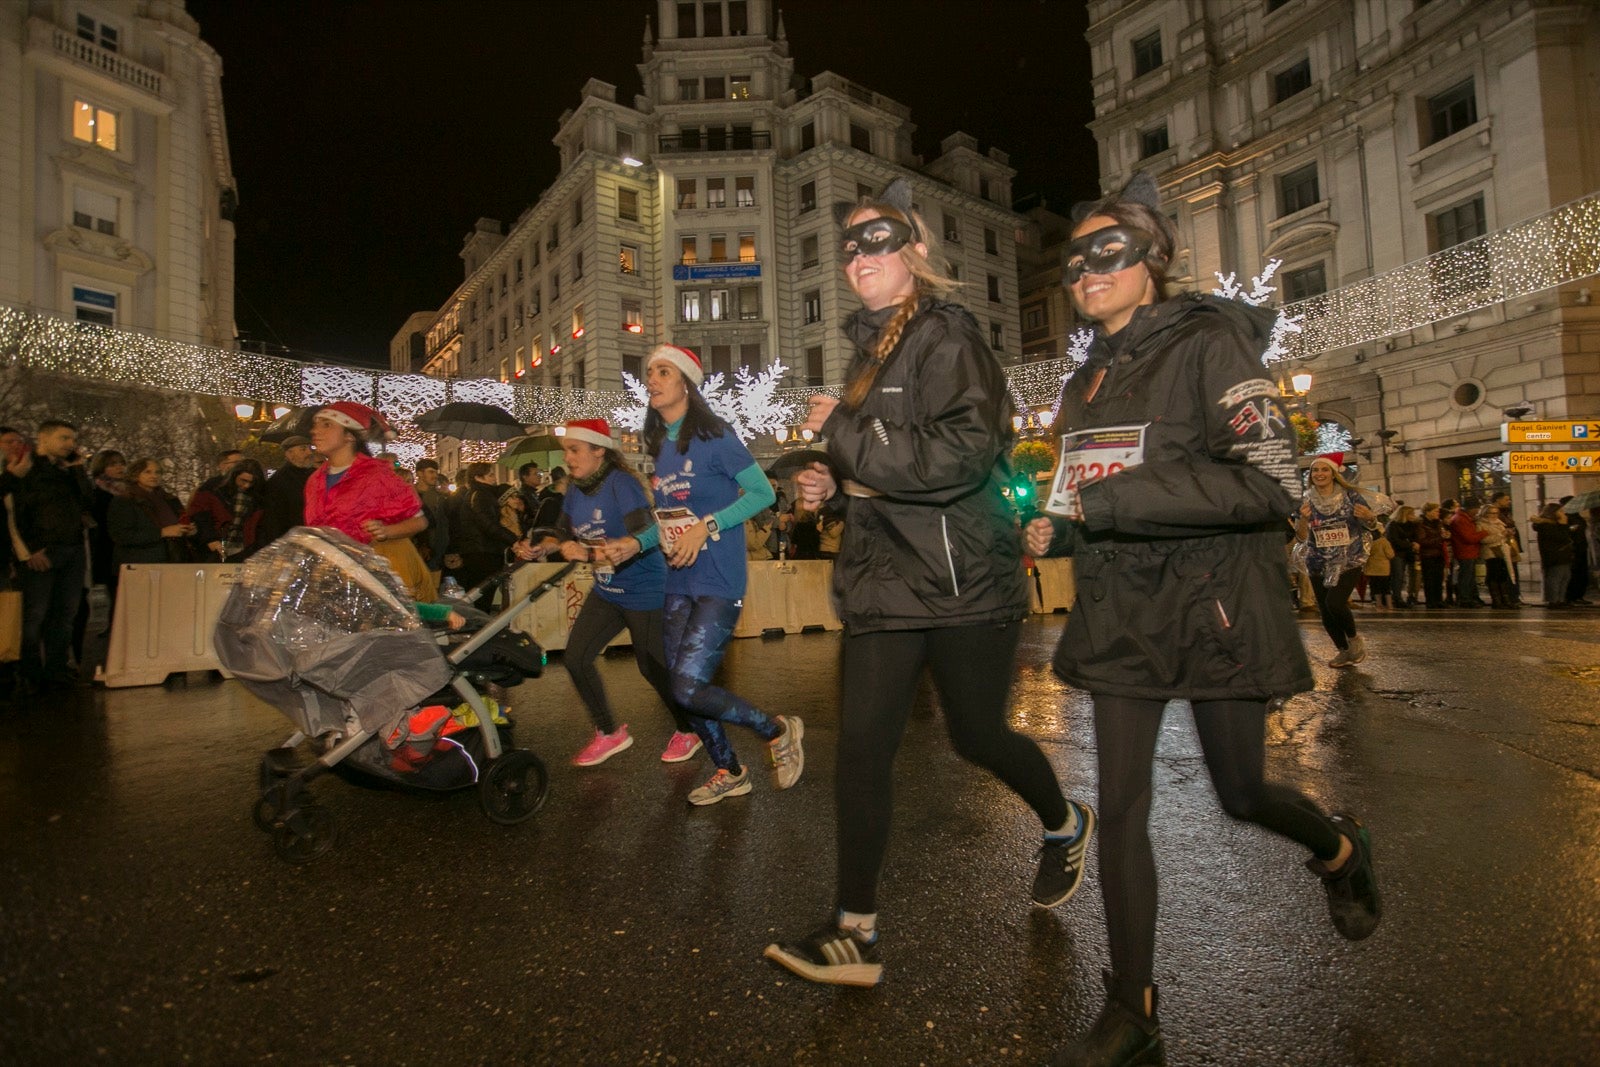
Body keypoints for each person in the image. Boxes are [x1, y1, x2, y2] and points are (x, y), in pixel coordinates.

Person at [1017, 176, 1378, 1065]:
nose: (1085, 272)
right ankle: (1133, 1006)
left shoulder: (1212, 344)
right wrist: (1055, 523)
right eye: (1075, 261)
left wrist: (1115, 502)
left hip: (1215, 603)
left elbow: (1272, 482)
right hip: (1121, 612)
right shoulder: (1082, 381)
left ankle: (1340, 848)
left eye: (1107, 254)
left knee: (1241, 790)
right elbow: (1083, 494)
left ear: (1153, 261)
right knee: (1124, 803)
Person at [763, 180, 1092, 989]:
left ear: (914, 252)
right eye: (850, 243)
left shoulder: (951, 341)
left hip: (962, 577)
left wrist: (836, 430)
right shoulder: (868, 353)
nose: (858, 255)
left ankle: (1063, 821)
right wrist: (826, 485)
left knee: (977, 735)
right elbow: (872, 461)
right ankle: (855, 930)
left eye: (877, 239)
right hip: (882, 576)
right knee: (862, 751)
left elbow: (955, 461)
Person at [607, 343, 803, 806]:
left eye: (662, 372)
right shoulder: (662, 448)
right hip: (679, 581)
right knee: (684, 690)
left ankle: (776, 730)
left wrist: (709, 525)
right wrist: (634, 543)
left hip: (719, 578)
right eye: (649, 371)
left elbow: (762, 495)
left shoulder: (715, 435)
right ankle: (730, 771)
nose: (651, 379)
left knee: (688, 685)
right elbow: (672, 522)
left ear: (686, 384)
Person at [517, 419, 701, 767]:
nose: (568, 458)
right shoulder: (575, 488)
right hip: (607, 590)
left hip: (644, 590)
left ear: (599, 450)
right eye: (566, 450)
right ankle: (609, 732)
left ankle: (688, 729)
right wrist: (541, 547)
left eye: (575, 450)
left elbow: (642, 538)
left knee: (653, 669)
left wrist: (587, 552)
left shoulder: (623, 485)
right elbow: (560, 532)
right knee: (576, 658)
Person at [304, 402, 436, 603]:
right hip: (334, 579)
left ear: (350, 435)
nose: (315, 431)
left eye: (326, 425)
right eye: (315, 425)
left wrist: (386, 531)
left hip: (378, 583)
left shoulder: (378, 475)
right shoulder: (315, 480)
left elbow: (419, 521)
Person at [3, 420, 93, 692]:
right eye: (64, 438)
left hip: (72, 548)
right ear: (43, 439)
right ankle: (30, 672)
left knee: (65, 614)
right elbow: (16, 511)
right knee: (35, 614)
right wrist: (29, 550)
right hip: (42, 550)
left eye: (72, 439)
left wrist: (78, 471)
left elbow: (88, 503)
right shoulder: (27, 469)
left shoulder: (67, 471)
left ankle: (56, 670)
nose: (70, 444)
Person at [1296, 456, 1380, 666]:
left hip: (1349, 558)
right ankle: (1343, 650)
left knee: (1335, 602)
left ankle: (1354, 640)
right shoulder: (1306, 499)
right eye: (1315, 471)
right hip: (1318, 560)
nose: (1319, 474)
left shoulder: (1351, 496)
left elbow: (1371, 525)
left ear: (1334, 474)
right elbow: (1300, 536)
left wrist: (1369, 517)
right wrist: (1303, 519)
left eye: (1324, 470)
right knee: (1325, 609)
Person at [449, 462, 518, 610]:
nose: (494, 478)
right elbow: (487, 524)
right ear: (478, 477)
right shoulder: (481, 495)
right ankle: (479, 627)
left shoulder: (477, 494)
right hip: (483, 551)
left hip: (479, 550)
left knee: (480, 594)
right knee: (483, 595)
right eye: (491, 475)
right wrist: (513, 540)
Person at [107, 459, 194, 567]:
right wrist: (162, 533)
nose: (154, 476)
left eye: (157, 472)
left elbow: (181, 522)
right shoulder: (125, 501)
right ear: (136, 474)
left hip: (173, 559)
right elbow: (121, 536)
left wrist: (189, 530)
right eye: (147, 472)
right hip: (140, 562)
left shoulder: (170, 499)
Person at [183, 460, 266, 562]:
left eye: (251, 482)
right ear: (234, 476)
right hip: (213, 547)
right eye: (243, 480)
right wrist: (210, 539)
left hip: (242, 549)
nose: (246, 486)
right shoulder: (214, 487)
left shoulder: (259, 496)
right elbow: (200, 514)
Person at [259, 435, 318, 543]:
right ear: (289, 454)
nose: (309, 453)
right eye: (303, 449)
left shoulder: (316, 475)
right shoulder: (279, 480)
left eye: (310, 448)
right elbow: (274, 519)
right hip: (293, 539)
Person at [413, 458, 452, 586]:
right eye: (431, 472)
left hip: (437, 551)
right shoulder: (411, 494)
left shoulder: (440, 497)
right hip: (417, 550)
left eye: (435, 472)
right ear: (419, 473)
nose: (434, 476)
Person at [1532, 502, 1574, 608]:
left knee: (1565, 577)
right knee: (1556, 578)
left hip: (1564, 555)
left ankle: (1561, 599)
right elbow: (1561, 538)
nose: (1563, 513)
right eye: (1560, 511)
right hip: (1555, 555)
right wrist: (1564, 524)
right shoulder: (1546, 525)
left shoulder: (1555, 524)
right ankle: (1554, 601)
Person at [1476, 503, 1516, 609]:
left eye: (1496, 513)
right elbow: (1483, 540)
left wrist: (1508, 534)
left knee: (1502, 575)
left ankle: (1505, 599)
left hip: (1502, 550)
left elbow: (1503, 536)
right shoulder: (1481, 524)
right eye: (1491, 513)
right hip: (1491, 551)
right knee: (1494, 575)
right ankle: (1496, 599)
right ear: (1485, 513)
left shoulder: (1499, 523)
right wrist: (1501, 535)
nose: (1494, 515)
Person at [1417, 503, 1451, 609]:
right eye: (1436, 511)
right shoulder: (1421, 524)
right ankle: (1431, 601)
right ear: (1428, 512)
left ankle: (1438, 599)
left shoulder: (1438, 523)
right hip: (1428, 555)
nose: (1438, 513)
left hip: (1439, 554)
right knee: (1429, 579)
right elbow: (1423, 541)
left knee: (1438, 579)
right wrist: (1440, 538)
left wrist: (1446, 536)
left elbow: (1441, 536)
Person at [1385, 504, 1420, 608]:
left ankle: (1407, 596)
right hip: (1397, 553)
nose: (1414, 516)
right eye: (1411, 514)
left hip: (1408, 553)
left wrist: (1413, 543)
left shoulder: (1412, 525)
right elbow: (1394, 541)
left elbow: (1415, 537)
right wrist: (1410, 544)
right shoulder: (1393, 525)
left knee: (1407, 576)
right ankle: (1397, 597)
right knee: (1398, 576)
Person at [1363, 522, 1395, 609]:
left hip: (1372, 568)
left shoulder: (1368, 542)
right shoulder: (1384, 542)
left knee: (1375, 587)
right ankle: (1389, 604)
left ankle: (1378, 603)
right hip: (1383, 569)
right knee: (1386, 587)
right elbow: (1390, 555)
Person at [531, 466, 568, 531]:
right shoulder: (558, 499)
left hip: (543, 531)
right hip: (554, 532)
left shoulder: (544, 493)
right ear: (562, 480)